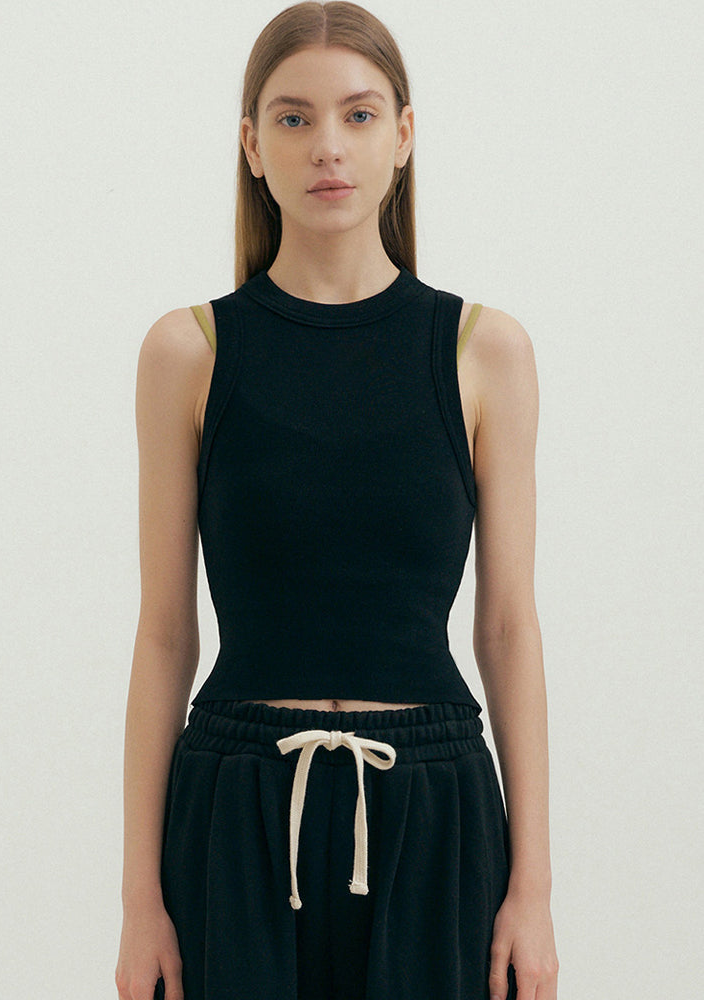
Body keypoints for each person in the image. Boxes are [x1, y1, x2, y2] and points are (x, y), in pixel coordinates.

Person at [115, 3, 559, 998]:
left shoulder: (484, 351)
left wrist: (532, 889)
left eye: (359, 115)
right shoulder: (188, 352)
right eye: (293, 117)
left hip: (434, 809)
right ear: (251, 144)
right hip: (235, 810)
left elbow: (508, 627)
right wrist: (141, 901)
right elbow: (164, 635)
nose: (327, 146)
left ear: (404, 135)